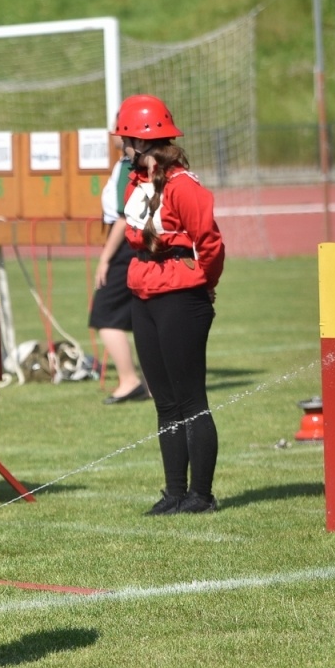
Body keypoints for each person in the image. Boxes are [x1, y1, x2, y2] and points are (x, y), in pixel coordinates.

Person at [116, 95, 227, 515]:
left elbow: (209, 243)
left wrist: (205, 285)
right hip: (143, 295)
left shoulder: (184, 186)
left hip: (181, 298)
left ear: (141, 142)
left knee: (191, 399)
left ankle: (201, 495)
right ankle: (174, 493)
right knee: (164, 401)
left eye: (124, 142)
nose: (121, 150)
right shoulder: (137, 182)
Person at [90, 134, 148, 405]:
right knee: (141, 316)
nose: (110, 133)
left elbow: (125, 217)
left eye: (116, 128)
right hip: (134, 243)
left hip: (126, 244)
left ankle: (129, 380)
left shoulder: (130, 165)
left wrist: (105, 258)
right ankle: (150, 383)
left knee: (105, 315)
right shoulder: (129, 163)